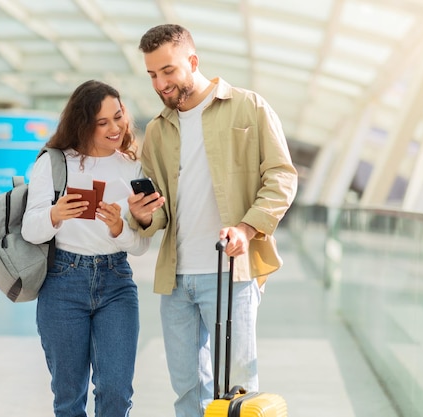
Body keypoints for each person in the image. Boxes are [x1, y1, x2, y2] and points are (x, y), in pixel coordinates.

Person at [127, 24, 298, 417]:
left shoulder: (249, 107)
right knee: (187, 392)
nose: (160, 83)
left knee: (239, 393)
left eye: (168, 71)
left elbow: (282, 177)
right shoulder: (157, 129)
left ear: (192, 60)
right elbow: (160, 211)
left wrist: (246, 228)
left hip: (231, 274)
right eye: (152, 74)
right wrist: (142, 216)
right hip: (176, 279)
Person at [22, 80, 150, 417]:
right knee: (68, 396)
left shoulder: (133, 169)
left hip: (116, 281)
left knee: (116, 391)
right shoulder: (53, 163)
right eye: (102, 122)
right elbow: (30, 230)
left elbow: (140, 246)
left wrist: (119, 228)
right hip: (62, 283)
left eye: (119, 117)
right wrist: (54, 214)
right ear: (82, 124)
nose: (115, 128)